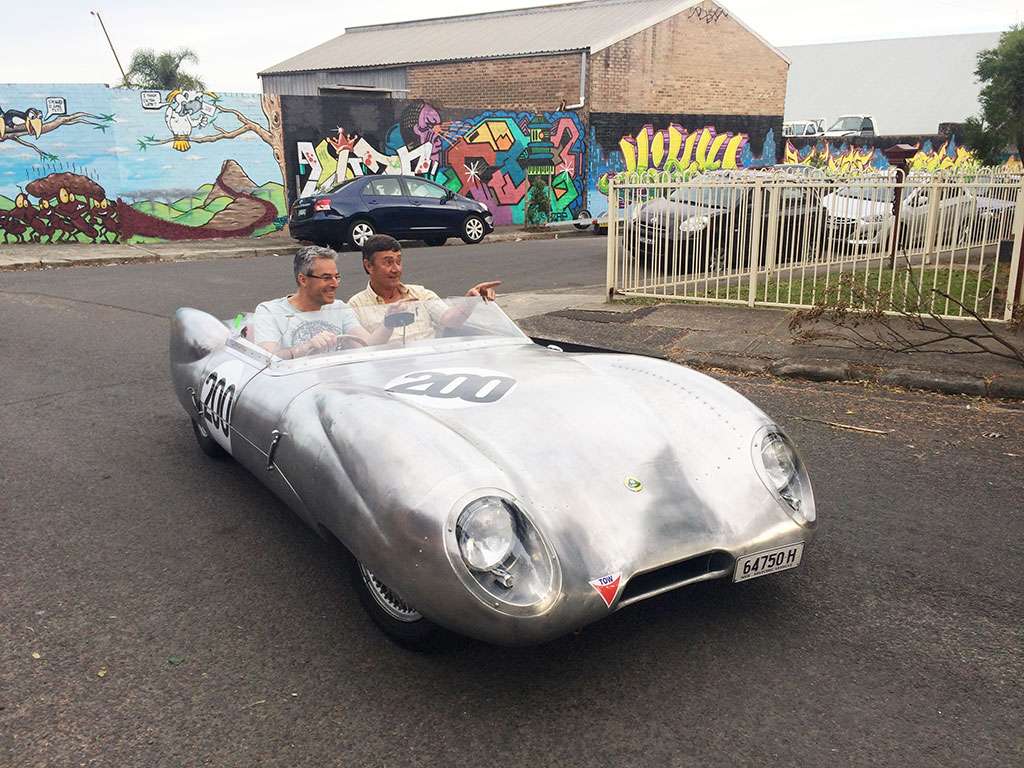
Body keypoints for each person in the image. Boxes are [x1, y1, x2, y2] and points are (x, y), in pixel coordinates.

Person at [347, 234, 500, 341]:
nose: (396, 269)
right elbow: (365, 350)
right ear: (369, 266)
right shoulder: (355, 306)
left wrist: (469, 301)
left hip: (430, 364)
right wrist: (389, 321)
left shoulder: (420, 294)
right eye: (388, 263)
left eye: (399, 262)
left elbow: (449, 320)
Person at [253, 245, 394, 358]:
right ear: (303, 280)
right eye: (326, 278)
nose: (335, 284)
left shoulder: (339, 308)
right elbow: (268, 358)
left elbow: (368, 346)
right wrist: (308, 347)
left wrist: (390, 321)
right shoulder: (270, 311)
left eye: (336, 277)